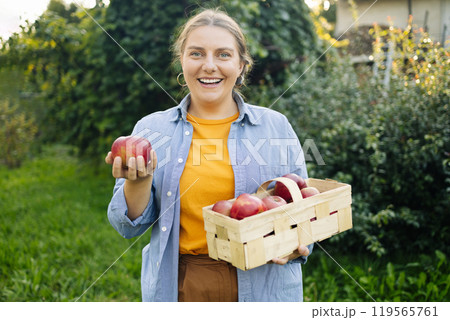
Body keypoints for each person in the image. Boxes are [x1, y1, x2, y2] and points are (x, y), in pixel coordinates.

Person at [105, 8, 313, 302]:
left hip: (264, 284)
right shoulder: (150, 130)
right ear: (182, 61)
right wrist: (138, 181)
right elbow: (127, 226)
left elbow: (304, 208)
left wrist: (295, 245)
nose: (209, 65)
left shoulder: (275, 126)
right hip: (183, 286)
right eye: (197, 53)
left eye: (224, 55)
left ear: (241, 65)